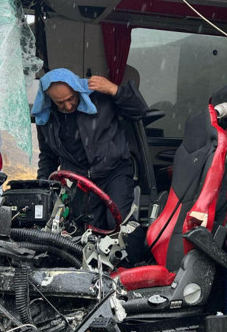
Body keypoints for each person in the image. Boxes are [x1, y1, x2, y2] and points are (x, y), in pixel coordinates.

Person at [32, 68, 148, 231]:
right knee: (86, 230)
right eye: (60, 103)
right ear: (49, 100)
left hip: (113, 173)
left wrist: (115, 90)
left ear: (77, 89)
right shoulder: (46, 118)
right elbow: (48, 157)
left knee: (120, 225)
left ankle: (134, 256)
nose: (68, 105)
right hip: (78, 183)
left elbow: (140, 111)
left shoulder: (100, 98)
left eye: (71, 98)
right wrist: (40, 188)